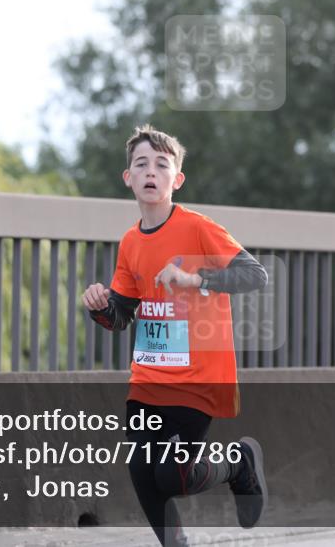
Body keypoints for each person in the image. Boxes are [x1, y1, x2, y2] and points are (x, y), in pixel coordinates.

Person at [82, 124, 269, 546]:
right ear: (128, 177)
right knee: (142, 472)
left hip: (198, 374)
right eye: (141, 164)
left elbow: (254, 275)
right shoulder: (130, 242)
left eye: (161, 164)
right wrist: (100, 308)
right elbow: (122, 316)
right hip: (149, 376)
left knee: (172, 474)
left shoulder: (198, 228)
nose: (151, 171)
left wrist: (193, 279)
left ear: (176, 179)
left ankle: (238, 463)